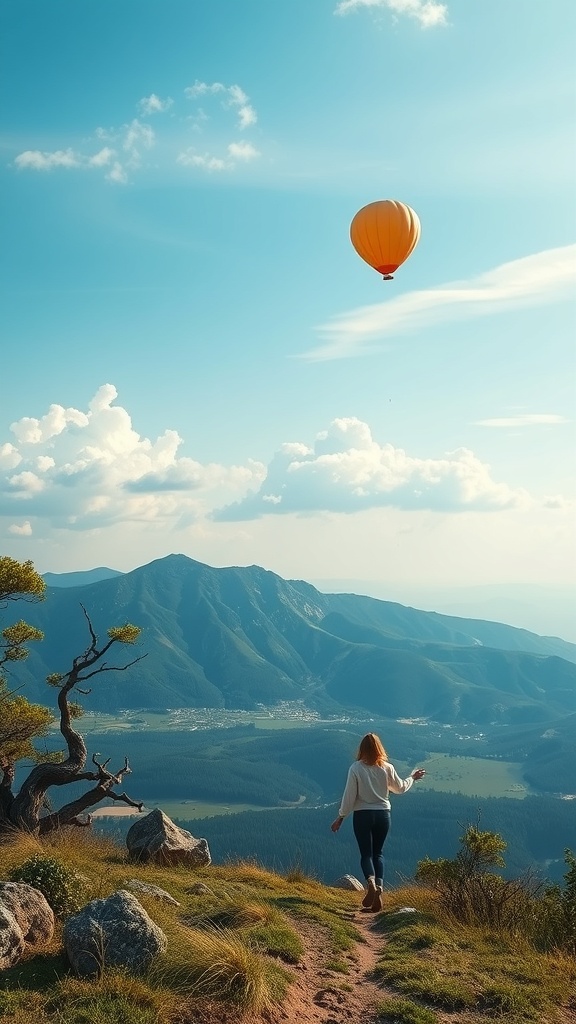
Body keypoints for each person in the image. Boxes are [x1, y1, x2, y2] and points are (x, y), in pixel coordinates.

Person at [331, 732, 426, 913]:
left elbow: (349, 797)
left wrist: (341, 817)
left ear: (362, 749)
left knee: (366, 854)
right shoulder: (387, 768)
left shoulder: (356, 769)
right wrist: (412, 777)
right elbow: (399, 788)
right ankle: (379, 890)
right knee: (378, 854)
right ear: (379, 748)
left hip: (362, 815)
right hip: (383, 814)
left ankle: (371, 883)